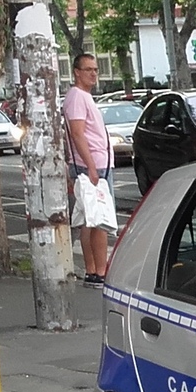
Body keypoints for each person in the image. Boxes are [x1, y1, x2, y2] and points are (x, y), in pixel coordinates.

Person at [63, 53, 114, 286]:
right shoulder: (77, 97)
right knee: (99, 219)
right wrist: (92, 167)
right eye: (88, 69)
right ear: (76, 72)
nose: (93, 73)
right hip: (91, 165)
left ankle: (93, 270)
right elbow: (77, 133)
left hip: (93, 164)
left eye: (95, 69)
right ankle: (100, 271)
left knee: (90, 218)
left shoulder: (83, 97)